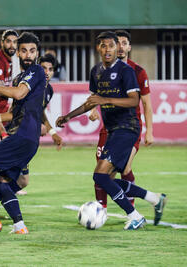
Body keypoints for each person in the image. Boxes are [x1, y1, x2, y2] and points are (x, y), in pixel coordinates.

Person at [56, 31, 166, 230]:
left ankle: (134, 216)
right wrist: (68, 116)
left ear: (118, 49)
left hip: (127, 128)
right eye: (103, 46)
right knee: (109, 178)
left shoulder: (127, 71)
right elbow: (92, 102)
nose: (108, 50)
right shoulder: (96, 71)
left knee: (100, 176)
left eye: (111, 46)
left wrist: (106, 100)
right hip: (113, 131)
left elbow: (134, 100)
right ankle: (154, 199)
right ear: (98, 48)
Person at [0, 32, 46, 235]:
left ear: (37, 53)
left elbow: (19, 93)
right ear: (18, 54)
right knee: (3, 183)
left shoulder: (37, 71)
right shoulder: (19, 78)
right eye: (23, 50)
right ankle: (19, 226)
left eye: (32, 50)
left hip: (23, 136)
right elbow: (13, 113)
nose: (28, 54)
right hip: (26, 138)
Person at [89, 30, 154, 210]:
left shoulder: (137, 72)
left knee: (124, 169)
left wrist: (150, 130)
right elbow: (98, 94)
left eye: (125, 43)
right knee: (102, 171)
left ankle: (131, 208)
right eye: (119, 43)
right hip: (109, 128)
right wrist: (94, 109)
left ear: (129, 47)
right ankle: (101, 209)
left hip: (129, 127)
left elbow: (146, 104)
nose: (121, 47)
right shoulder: (103, 70)